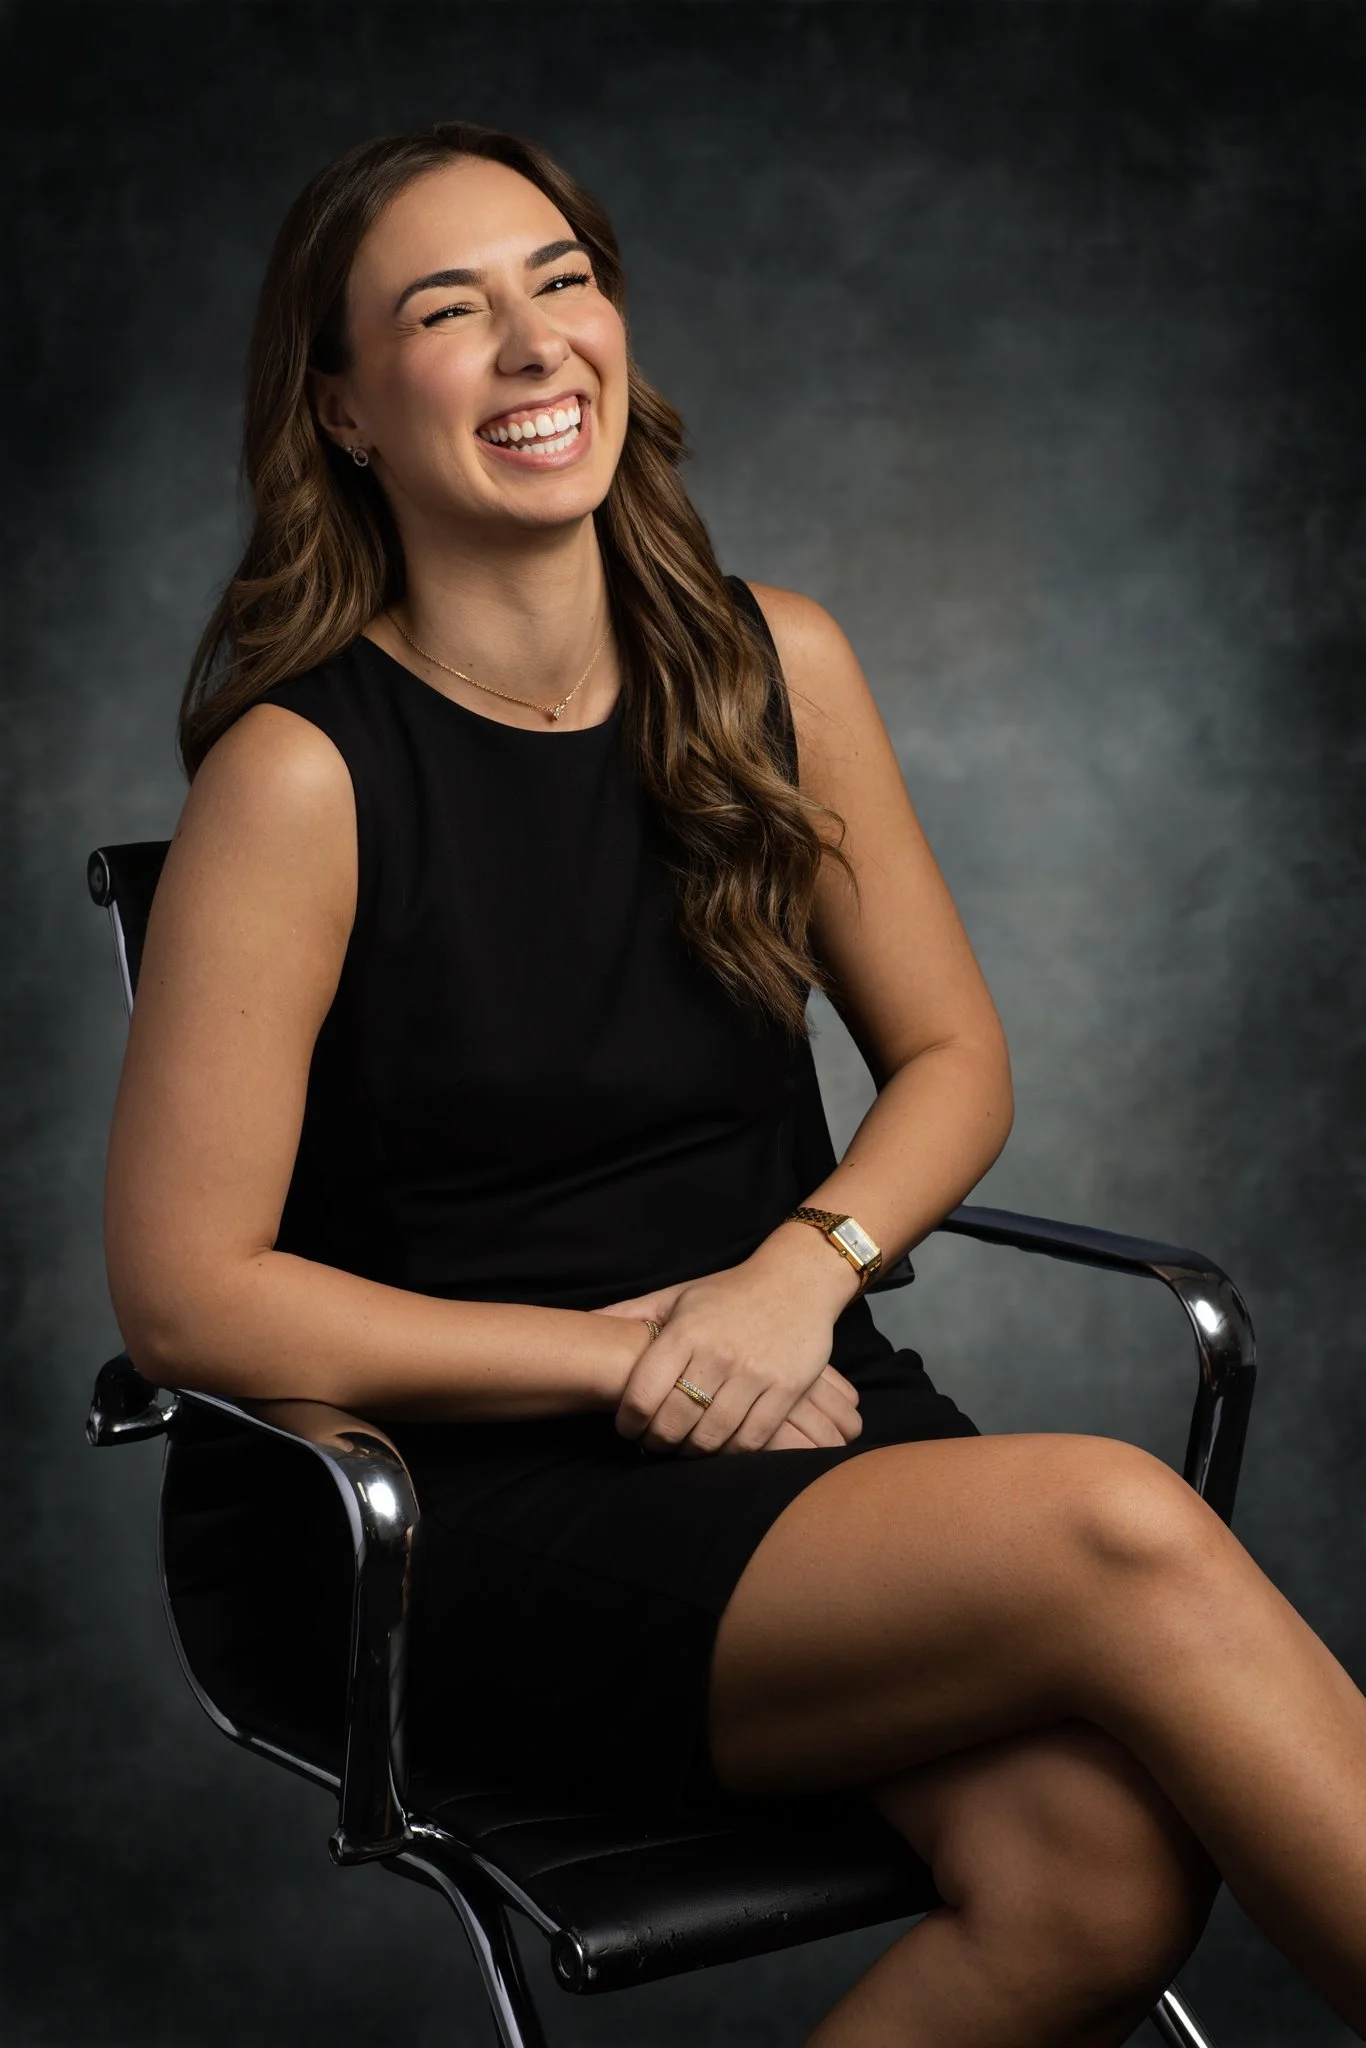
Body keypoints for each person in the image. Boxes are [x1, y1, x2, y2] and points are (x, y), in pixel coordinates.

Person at [101, 120, 1366, 2048]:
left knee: (1094, 1884)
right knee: (1119, 1527)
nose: (536, 346)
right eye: (449, 311)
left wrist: (798, 1276)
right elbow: (189, 1301)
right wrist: (626, 1361)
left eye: (564, 281)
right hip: (448, 1513)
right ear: (344, 409)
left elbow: (953, 1060)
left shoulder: (778, 662)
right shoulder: (300, 772)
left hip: (781, 1407)